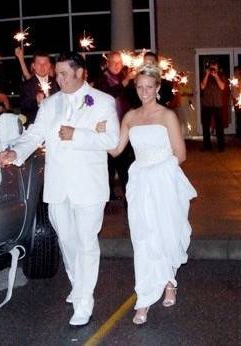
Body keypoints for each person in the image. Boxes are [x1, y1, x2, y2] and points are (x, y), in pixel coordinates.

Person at [0, 52, 120, 326]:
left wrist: (78, 134)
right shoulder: (50, 104)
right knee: (66, 241)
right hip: (58, 185)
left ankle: (84, 300)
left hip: (89, 186)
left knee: (87, 243)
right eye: (57, 73)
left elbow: (111, 140)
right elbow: (34, 134)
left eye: (63, 73)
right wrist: (15, 153)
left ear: (80, 73)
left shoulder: (102, 101)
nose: (57, 78)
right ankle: (79, 287)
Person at [95, 63, 195, 325]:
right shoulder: (130, 116)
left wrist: (160, 171)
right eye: (139, 87)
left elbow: (180, 154)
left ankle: (169, 281)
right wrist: (98, 133)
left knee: (165, 233)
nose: (144, 92)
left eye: (149, 87)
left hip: (163, 179)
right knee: (142, 237)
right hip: (139, 181)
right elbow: (116, 150)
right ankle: (144, 297)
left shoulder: (167, 116)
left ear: (157, 88)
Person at [93, 51, 139, 201]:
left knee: (124, 166)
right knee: (108, 167)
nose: (117, 65)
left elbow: (133, 99)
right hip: (107, 129)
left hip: (124, 128)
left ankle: (128, 197)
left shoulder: (124, 77)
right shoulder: (102, 79)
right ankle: (107, 197)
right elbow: (107, 94)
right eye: (114, 62)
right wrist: (126, 81)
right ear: (107, 63)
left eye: (120, 62)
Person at [19, 51, 59, 125]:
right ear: (34, 65)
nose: (42, 67)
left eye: (45, 64)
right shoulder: (27, 85)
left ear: (49, 65)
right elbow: (24, 107)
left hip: (55, 123)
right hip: (35, 124)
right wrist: (36, 102)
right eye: (39, 64)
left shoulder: (57, 83)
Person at [200, 60, 226, 151]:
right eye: (211, 67)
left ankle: (221, 146)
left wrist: (216, 76)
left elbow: (222, 87)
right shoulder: (204, 75)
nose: (213, 69)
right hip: (206, 103)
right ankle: (207, 146)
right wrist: (207, 74)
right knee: (205, 126)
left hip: (217, 104)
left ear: (217, 68)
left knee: (219, 126)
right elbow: (202, 86)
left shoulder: (221, 75)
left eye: (215, 67)